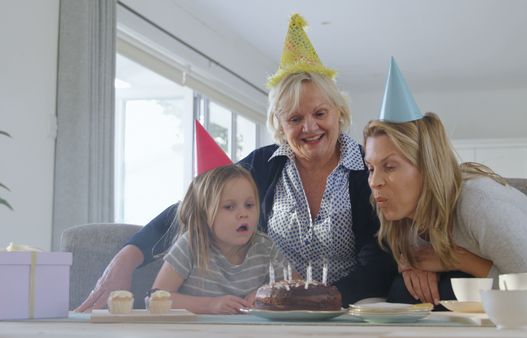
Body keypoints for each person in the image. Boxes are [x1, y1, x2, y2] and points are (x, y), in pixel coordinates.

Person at [76, 13, 396, 312]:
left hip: (346, 311)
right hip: (272, 315)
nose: (309, 127)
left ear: (339, 112)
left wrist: (319, 301)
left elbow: (379, 260)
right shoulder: (264, 165)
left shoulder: (368, 168)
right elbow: (196, 205)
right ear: (279, 125)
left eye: (320, 113)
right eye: (295, 118)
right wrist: (128, 256)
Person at [362, 58, 527, 306]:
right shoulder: (403, 213)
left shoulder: (482, 206)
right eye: (370, 168)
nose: (375, 182)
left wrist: (460, 260)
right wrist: (412, 264)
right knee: (404, 291)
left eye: (389, 167)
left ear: (427, 167)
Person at [153, 165, 286, 314]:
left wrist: (268, 294)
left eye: (249, 205)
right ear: (204, 214)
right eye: (229, 207)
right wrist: (210, 305)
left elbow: (291, 287)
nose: (243, 213)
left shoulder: (265, 247)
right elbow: (155, 299)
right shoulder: (191, 245)